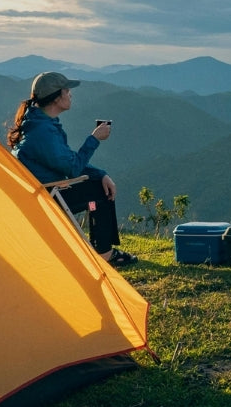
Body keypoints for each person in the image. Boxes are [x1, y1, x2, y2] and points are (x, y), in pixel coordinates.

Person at [8, 71, 137, 267]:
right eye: (67, 91)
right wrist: (94, 139)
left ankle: (101, 247)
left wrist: (100, 174)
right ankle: (104, 254)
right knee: (99, 195)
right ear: (56, 97)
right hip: (49, 195)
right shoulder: (43, 132)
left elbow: (67, 160)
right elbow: (74, 168)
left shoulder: (38, 122)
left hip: (42, 190)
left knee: (97, 186)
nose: (71, 94)